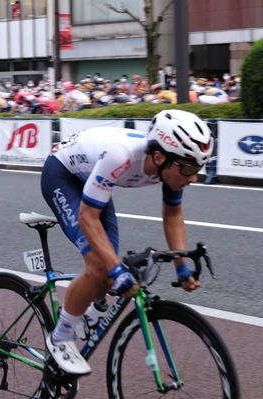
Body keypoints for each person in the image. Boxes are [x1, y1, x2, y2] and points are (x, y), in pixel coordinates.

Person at [40, 110, 212, 375]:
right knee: (101, 265)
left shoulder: (168, 161)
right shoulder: (122, 156)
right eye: (189, 168)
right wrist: (116, 270)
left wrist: (182, 267)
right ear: (159, 157)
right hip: (62, 173)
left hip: (92, 177)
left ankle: (87, 309)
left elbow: (173, 213)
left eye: (199, 168)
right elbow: (87, 217)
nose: (193, 178)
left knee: (110, 269)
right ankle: (60, 336)